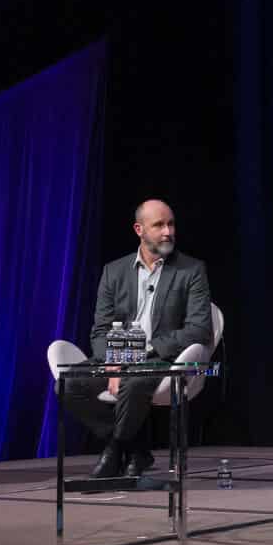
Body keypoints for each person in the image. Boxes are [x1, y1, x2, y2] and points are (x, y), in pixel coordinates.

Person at [60, 199, 213, 485]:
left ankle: (116, 449)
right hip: (119, 357)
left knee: (135, 380)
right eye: (159, 225)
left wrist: (144, 352)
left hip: (163, 358)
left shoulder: (191, 270)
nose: (168, 232)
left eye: (171, 224)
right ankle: (135, 449)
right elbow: (100, 329)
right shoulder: (114, 271)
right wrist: (114, 362)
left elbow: (199, 329)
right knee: (68, 384)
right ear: (139, 229)